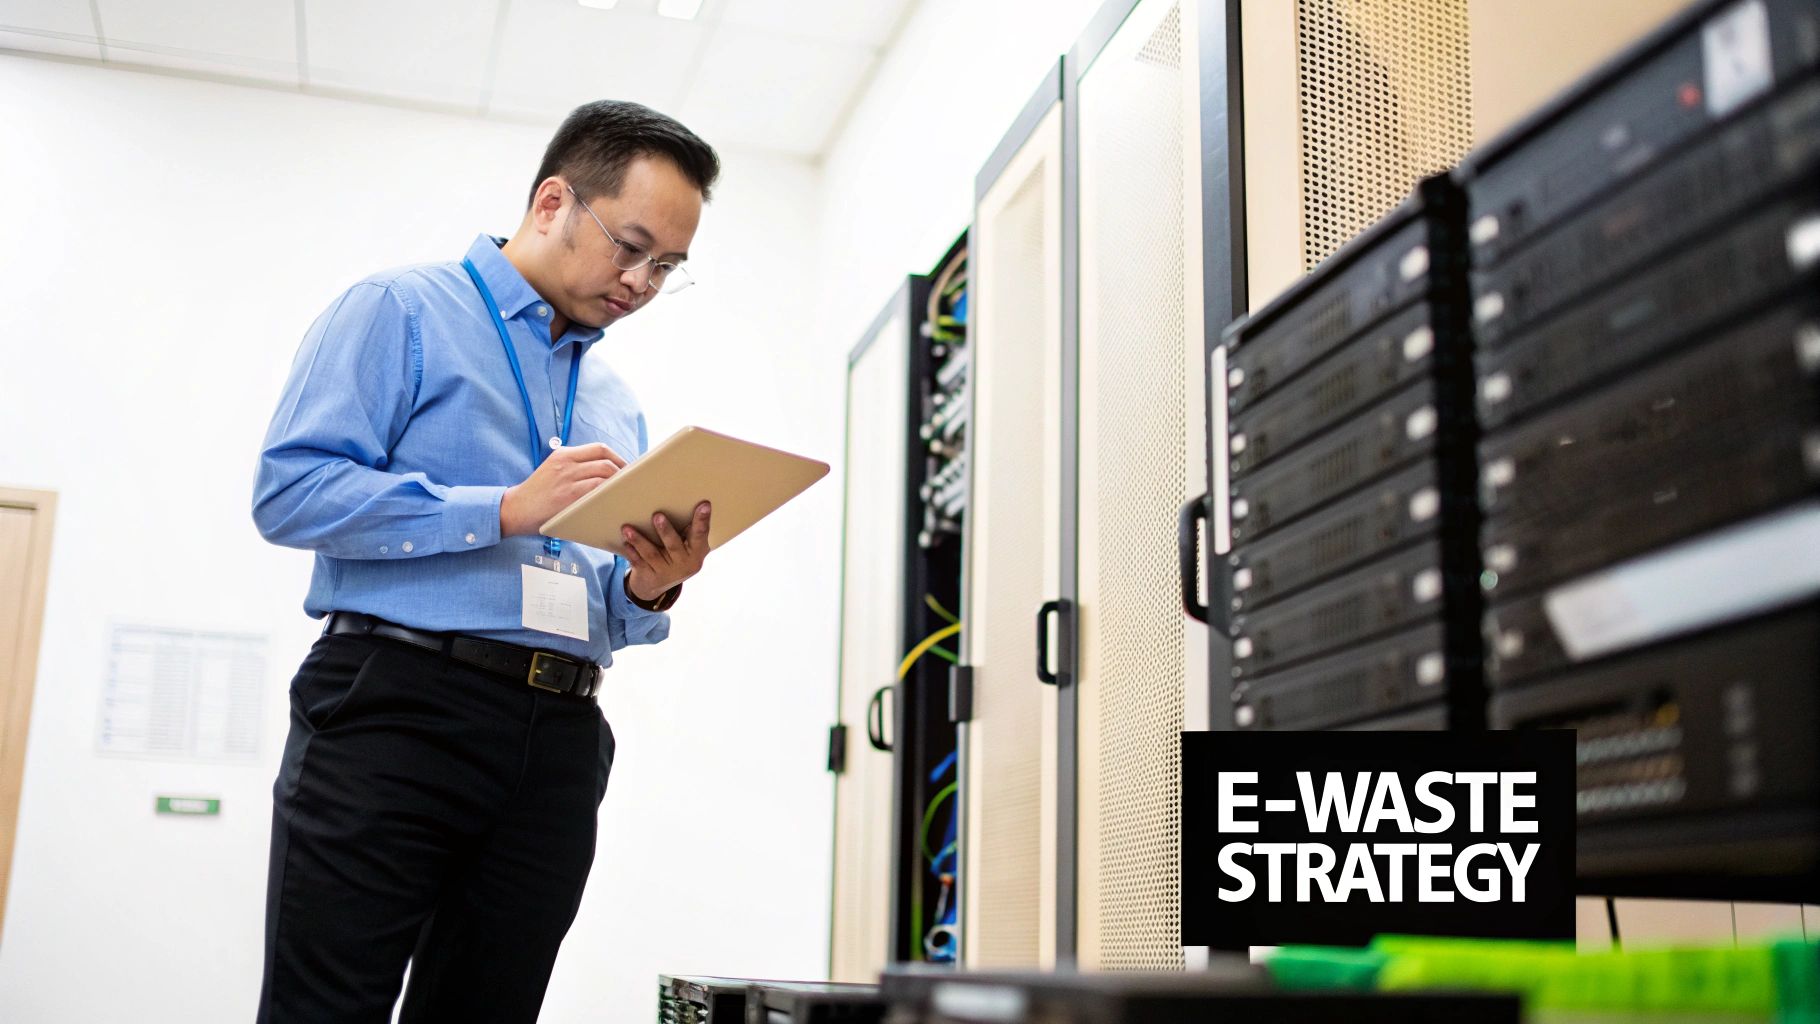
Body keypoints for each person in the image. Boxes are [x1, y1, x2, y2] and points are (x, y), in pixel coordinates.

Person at [250, 99, 720, 1023]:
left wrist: (645, 585)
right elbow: (289, 491)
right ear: (552, 202)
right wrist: (500, 509)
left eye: (668, 266)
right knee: (327, 1008)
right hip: (397, 708)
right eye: (631, 246)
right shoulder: (399, 311)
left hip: (558, 738)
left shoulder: (616, 401)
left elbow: (603, 605)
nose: (643, 281)